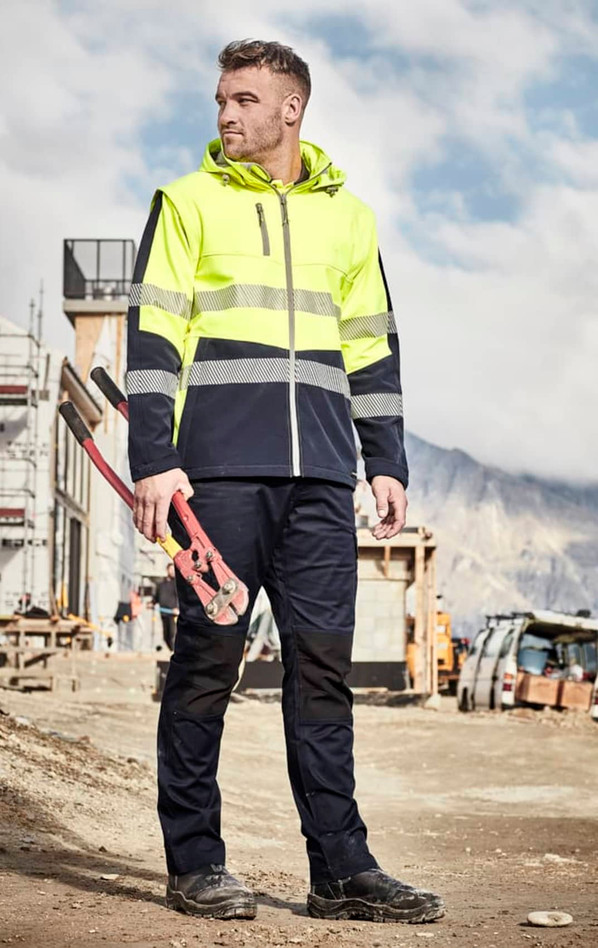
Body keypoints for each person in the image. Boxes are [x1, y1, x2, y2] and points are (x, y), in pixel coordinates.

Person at [127, 39, 444, 925]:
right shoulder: (187, 204)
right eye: (220, 101)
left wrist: (386, 462)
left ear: (290, 109)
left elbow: (372, 345)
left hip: (320, 484)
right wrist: (155, 457)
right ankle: (195, 862)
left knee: (321, 676)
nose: (225, 115)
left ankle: (340, 870)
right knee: (204, 668)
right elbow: (152, 338)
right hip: (218, 480)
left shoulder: (351, 219)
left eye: (243, 100)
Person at [154, 562, 179, 651]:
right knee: (166, 635)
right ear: (167, 570)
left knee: (173, 634)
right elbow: (156, 597)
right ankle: (171, 651)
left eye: (174, 570)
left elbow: (180, 597)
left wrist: (178, 609)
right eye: (171, 569)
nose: (172, 571)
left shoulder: (177, 584)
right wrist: (151, 603)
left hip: (173, 613)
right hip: (164, 612)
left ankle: (174, 652)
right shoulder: (161, 584)